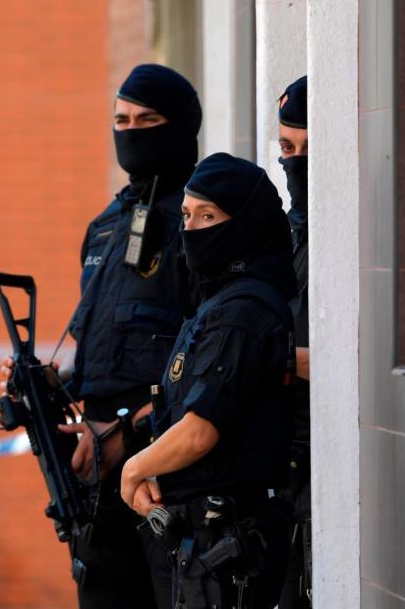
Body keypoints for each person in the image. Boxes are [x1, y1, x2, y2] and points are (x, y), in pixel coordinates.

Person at [0, 64, 200, 609]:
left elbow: (209, 353)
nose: (131, 131)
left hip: (168, 462)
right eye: (121, 120)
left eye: (148, 119)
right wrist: (51, 382)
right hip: (96, 464)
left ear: (180, 126)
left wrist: (127, 432)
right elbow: (102, 343)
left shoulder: (199, 218)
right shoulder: (107, 225)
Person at [120, 153, 297, 609]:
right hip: (203, 543)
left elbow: (200, 431)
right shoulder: (218, 306)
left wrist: (134, 469)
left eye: (209, 215)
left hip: (230, 545)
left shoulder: (241, 313)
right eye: (186, 214)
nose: (192, 228)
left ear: (243, 224)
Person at [275, 75, 312, 609]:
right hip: (276, 468)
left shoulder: (358, 232)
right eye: (286, 148)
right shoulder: (277, 237)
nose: (296, 161)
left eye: (308, 148)